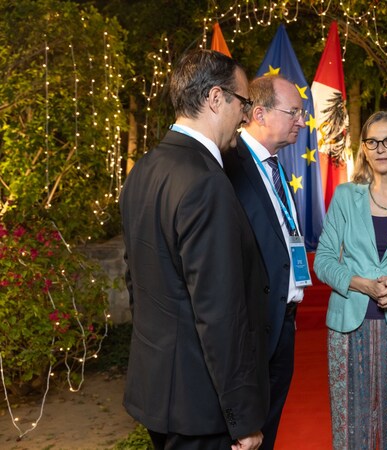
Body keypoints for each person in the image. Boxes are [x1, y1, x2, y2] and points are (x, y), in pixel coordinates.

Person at [120, 49, 269, 450]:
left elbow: (137, 282)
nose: (245, 115)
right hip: (202, 406)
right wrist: (242, 417)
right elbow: (219, 312)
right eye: (243, 103)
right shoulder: (206, 181)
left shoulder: (144, 168)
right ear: (216, 98)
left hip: (159, 393)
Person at [313, 111, 387, 449]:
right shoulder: (344, 197)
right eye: (372, 141)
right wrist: (362, 284)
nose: (380, 148)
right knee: (351, 425)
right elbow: (323, 261)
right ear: (364, 149)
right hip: (348, 326)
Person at [222, 74, 308, 449]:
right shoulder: (228, 166)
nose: (301, 122)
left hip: (283, 323)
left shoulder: (277, 169)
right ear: (258, 113)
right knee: (245, 436)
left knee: (267, 433)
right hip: (251, 328)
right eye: (294, 112)